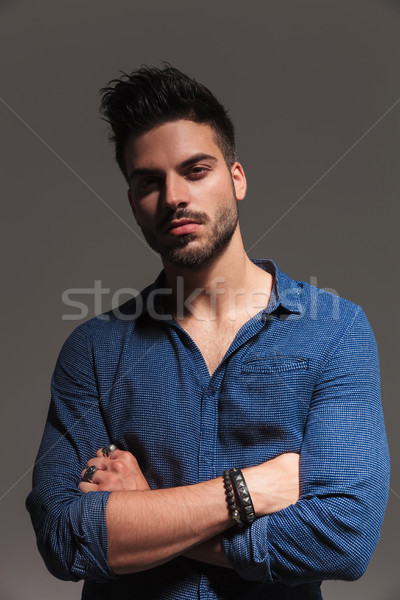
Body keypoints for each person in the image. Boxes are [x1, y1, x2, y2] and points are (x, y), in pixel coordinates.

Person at [26, 65, 390, 600]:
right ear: (132, 202)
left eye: (196, 170)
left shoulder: (334, 332)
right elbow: (64, 537)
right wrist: (245, 492)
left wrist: (146, 508)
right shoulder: (94, 351)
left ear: (236, 178)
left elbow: (343, 539)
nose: (174, 196)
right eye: (149, 181)